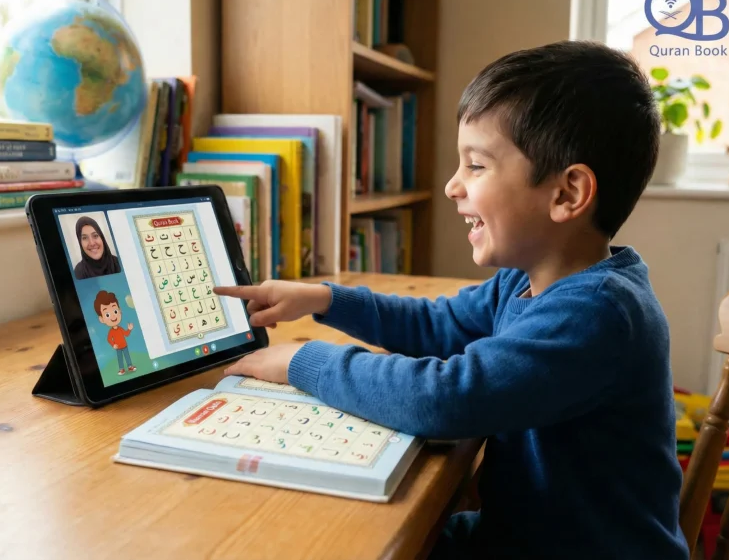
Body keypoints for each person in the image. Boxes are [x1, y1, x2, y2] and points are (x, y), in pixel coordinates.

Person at [212, 41, 690, 559]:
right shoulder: (527, 280)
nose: (451, 187)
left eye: (477, 166)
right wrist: (325, 298)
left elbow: (443, 398)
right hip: (517, 536)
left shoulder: (598, 313)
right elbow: (437, 325)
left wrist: (302, 360)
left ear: (567, 194)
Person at [93, 290, 136, 375]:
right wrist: (113, 344)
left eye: (115, 311)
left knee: (127, 356)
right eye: (107, 315)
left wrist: (129, 329)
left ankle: (130, 366)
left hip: (124, 345)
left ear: (119, 310)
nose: (113, 316)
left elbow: (126, 334)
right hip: (118, 347)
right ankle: (121, 369)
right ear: (101, 319)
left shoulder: (120, 329)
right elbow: (109, 339)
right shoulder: (111, 331)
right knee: (120, 358)